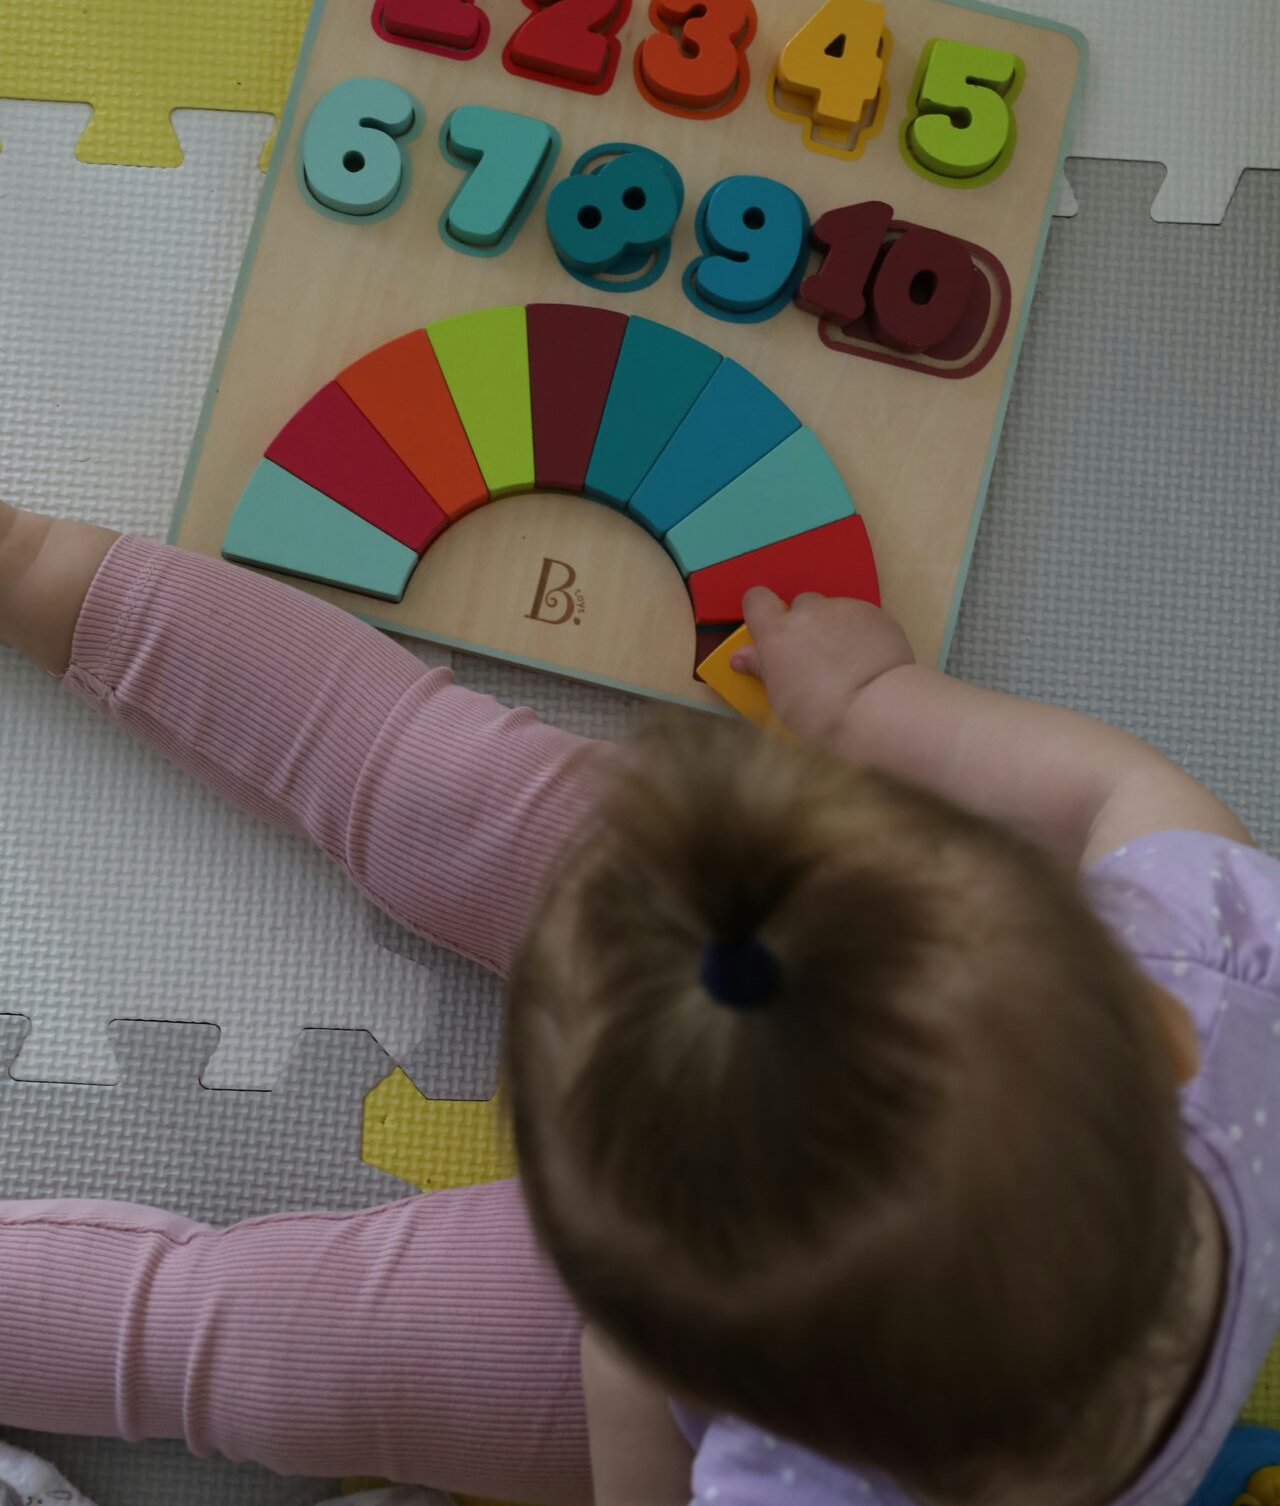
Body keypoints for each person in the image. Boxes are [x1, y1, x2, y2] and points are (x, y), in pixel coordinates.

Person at [0, 496, 1273, 1506]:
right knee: (431, 784)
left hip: (650, 1360)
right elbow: (1120, 792)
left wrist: (626, 1368)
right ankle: (41, 572)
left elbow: (1121, 788)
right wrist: (873, 705)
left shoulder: (777, 1472)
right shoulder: (1224, 983)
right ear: (1152, 1019)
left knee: (233, 1343)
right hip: (700, 1271)